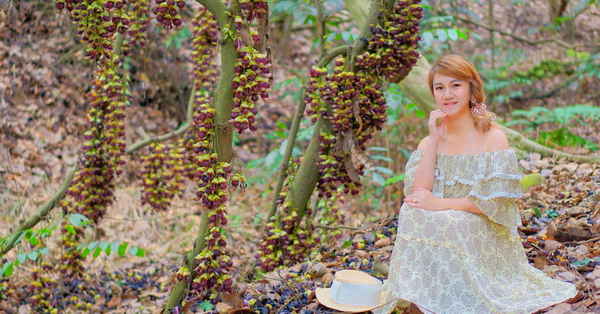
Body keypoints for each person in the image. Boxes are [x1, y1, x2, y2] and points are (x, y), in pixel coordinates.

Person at [373, 55, 577, 314]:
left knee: (447, 219)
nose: (447, 94)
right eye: (439, 87)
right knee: (410, 211)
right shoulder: (429, 142)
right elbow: (418, 195)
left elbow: (491, 203)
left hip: (485, 229)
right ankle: (420, 296)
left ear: (471, 89)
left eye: (456, 85)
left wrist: (439, 204)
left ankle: (459, 297)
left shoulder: (493, 138)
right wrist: (434, 141)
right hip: (444, 219)